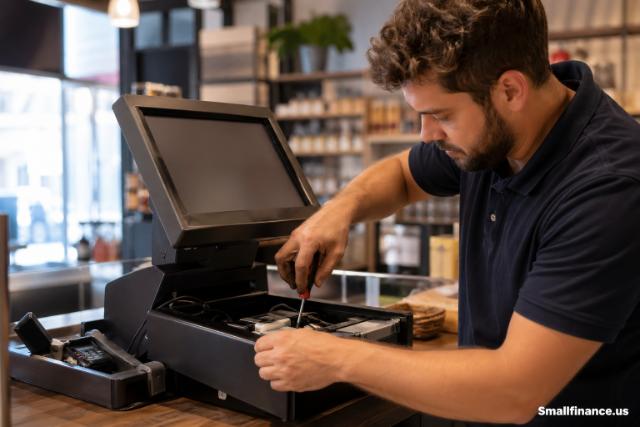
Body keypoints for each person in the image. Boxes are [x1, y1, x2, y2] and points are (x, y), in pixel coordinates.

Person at [254, 0, 640, 425]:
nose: (427, 134)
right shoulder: (500, 134)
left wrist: (335, 358)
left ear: (510, 90)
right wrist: (340, 210)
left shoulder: (609, 188)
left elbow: (515, 390)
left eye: (441, 115)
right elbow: (402, 174)